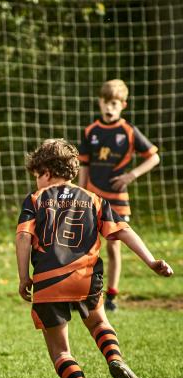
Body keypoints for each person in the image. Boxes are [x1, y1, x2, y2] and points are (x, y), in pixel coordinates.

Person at [16, 139, 172, 378]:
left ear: (47, 172)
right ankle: (115, 359)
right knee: (100, 324)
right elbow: (124, 232)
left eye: (37, 174)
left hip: (49, 283)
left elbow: (24, 236)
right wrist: (152, 262)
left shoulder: (35, 200)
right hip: (86, 280)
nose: (36, 181)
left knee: (61, 352)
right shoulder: (95, 200)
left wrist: (24, 276)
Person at [78, 79, 160, 311]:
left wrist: (130, 176)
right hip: (92, 197)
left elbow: (154, 157)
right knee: (86, 246)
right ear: (99, 102)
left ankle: (111, 295)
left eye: (114, 103)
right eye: (105, 102)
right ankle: (84, 293)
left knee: (114, 246)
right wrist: (81, 193)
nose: (109, 107)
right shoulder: (90, 131)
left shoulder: (129, 131)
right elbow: (84, 165)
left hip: (118, 200)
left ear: (123, 104)